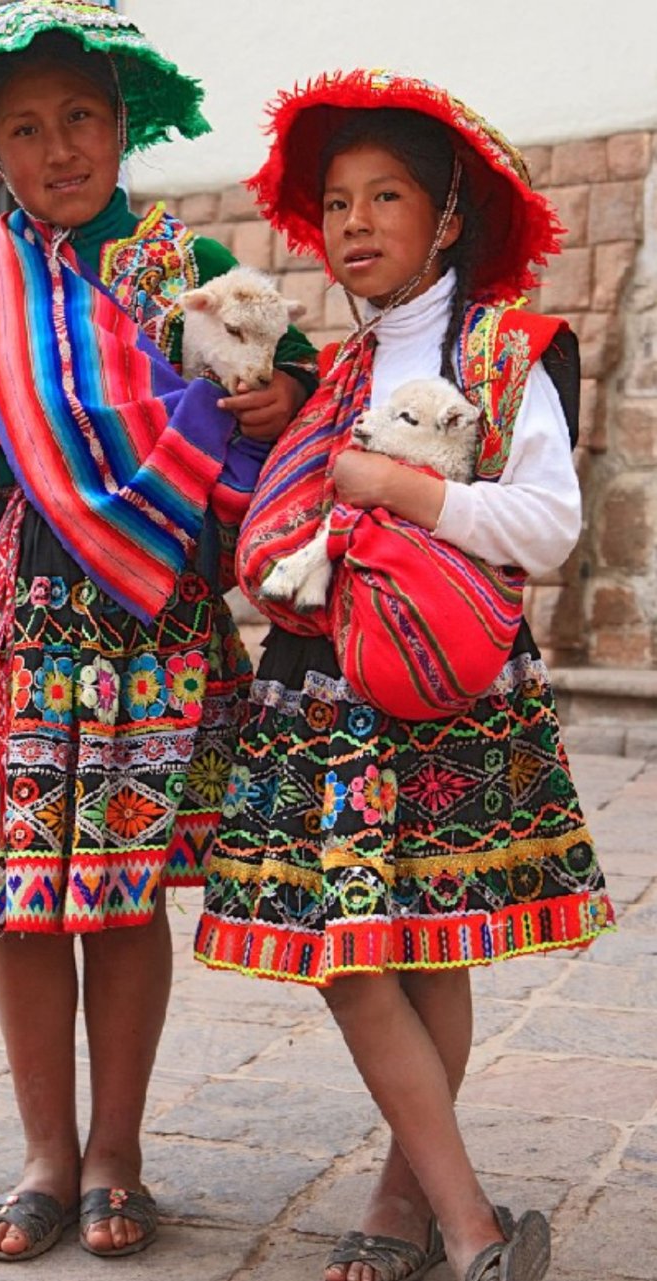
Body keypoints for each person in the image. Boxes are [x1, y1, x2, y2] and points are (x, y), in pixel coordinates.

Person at [0, 0, 315, 1263]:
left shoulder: (192, 277)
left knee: (112, 899)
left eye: (82, 120)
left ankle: (116, 1155)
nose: (59, 150)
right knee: (15, 901)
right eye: (26, 129)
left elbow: (302, 400)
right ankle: (45, 1155)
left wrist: (278, 399)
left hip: (136, 636)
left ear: (122, 125)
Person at [194, 69, 615, 1281]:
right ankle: (466, 1219)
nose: (356, 224)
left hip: (449, 688)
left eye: (387, 198)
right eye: (336, 203)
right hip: (321, 691)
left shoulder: (509, 351)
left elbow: (545, 526)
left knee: (425, 943)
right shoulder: (325, 374)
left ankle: (416, 1204)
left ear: (444, 221)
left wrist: (406, 492)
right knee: (348, 952)